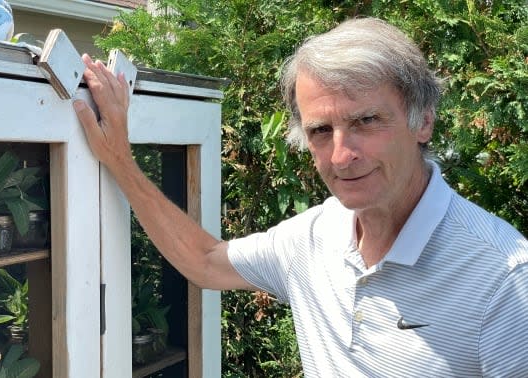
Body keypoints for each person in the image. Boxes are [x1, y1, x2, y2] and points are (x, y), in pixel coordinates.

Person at [73, 17, 528, 377]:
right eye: (320, 131)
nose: (342, 155)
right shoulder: (315, 236)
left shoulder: (504, 278)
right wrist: (121, 162)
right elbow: (206, 261)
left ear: (423, 121)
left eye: (367, 121)